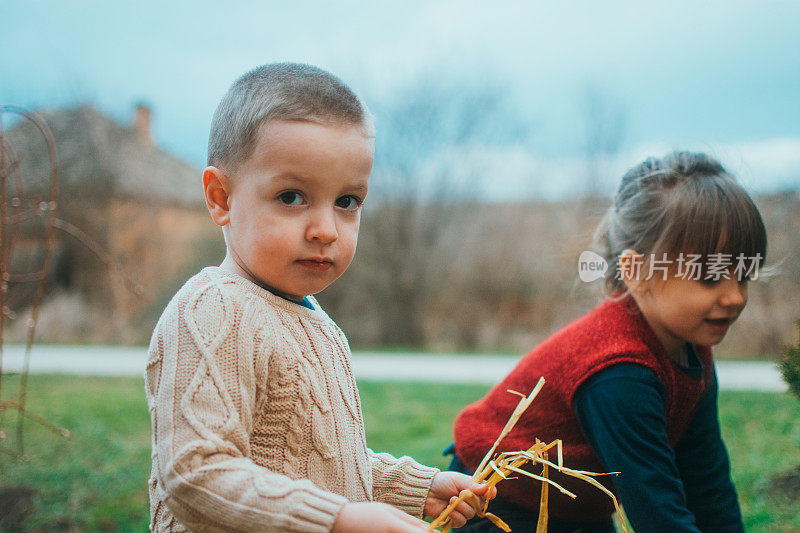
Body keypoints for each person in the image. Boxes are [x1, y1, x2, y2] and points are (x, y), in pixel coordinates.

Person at [144, 63, 491, 533]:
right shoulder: (213, 310)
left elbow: (322, 460)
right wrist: (338, 519)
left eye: (347, 202)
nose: (326, 229)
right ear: (221, 198)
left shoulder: (316, 323)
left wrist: (414, 486)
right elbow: (196, 473)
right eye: (291, 196)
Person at [450, 151, 764, 532]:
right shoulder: (618, 370)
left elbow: (707, 482)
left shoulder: (690, 348)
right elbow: (658, 513)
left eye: (744, 274)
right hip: (502, 501)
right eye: (710, 278)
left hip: (579, 505)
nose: (735, 297)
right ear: (635, 272)